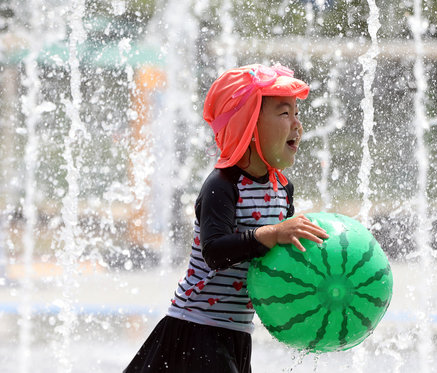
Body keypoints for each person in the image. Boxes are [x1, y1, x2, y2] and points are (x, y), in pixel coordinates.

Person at [124, 63, 329, 372]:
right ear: (247, 126)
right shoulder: (222, 186)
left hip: (237, 331)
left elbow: (273, 263)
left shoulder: (283, 189)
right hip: (195, 328)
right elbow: (215, 252)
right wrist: (271, 234)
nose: (298, 126)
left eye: (297, 113)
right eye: (284, 113)